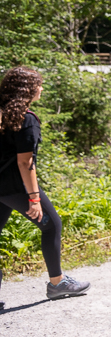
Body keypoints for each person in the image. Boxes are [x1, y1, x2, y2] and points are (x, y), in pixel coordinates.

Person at [0, 67, 90, 302]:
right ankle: (58, 283)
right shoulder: (26, 119)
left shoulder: (2, 115)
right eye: (39, 84)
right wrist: (34, 197)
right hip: (15, 186)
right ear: (28, 89)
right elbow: (25, 162)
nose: (41, 88)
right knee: (52, 226)